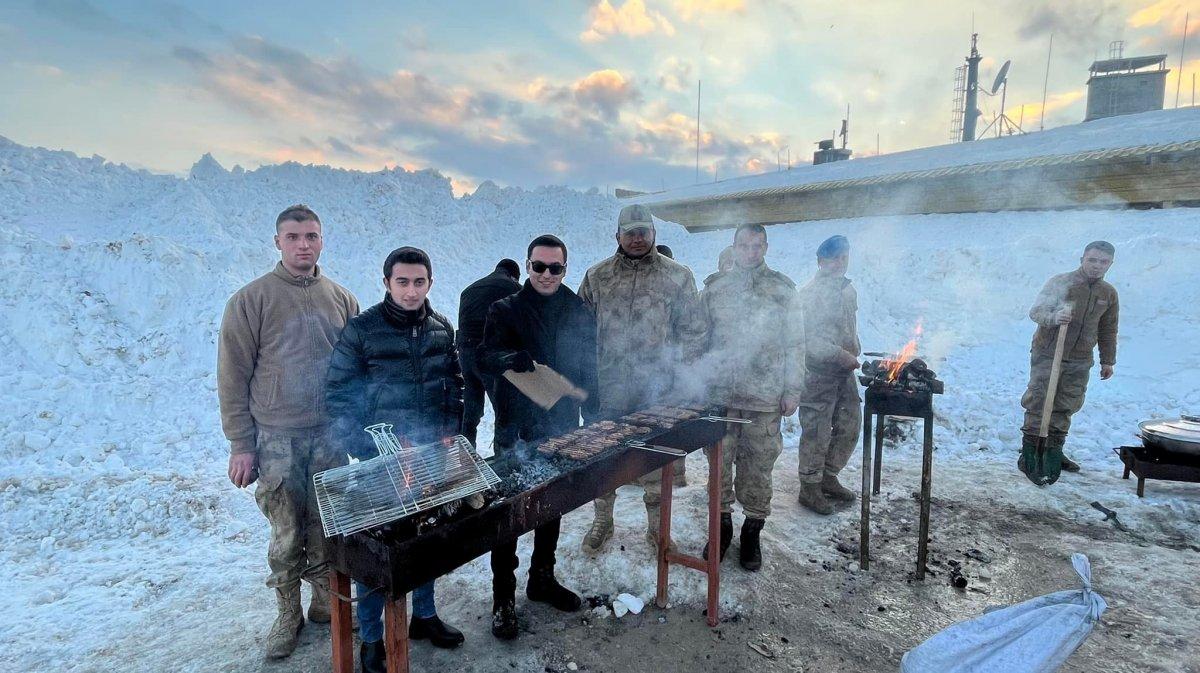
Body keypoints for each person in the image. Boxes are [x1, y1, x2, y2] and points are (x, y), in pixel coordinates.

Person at [218, 204, 359, 659]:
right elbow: (232, 375)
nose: (304, 244)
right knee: (286, 531)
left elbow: (355, 368)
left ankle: (324, 603)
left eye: (312, 236)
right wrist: (241, 445)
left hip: (330, 436)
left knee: (329, 526)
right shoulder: (251, 299)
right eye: (294, 236)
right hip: (276, 438)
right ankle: (287, 613)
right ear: (278, 241)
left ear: (322, 240)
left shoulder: (340, 298)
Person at [326, 247, 466, 672]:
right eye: (402, 282)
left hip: (428, 455)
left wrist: (449, 429)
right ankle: (371, 640)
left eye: (418, 282)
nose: (410, 291)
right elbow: (337, 395)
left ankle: (423, 615)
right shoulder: (362, 330)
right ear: (386, 282)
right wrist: (367, 449)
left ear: (430, 283)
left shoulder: (441, 328)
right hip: (380, 460)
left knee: (426, 537)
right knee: (378, 550)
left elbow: (456, 385)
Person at [481, 235, 595, 639]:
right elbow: (485, 357)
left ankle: (541, 578)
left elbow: (588, 361)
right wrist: (510, 357)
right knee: (508, 514)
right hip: (516, 426)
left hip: (561, 424)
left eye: (555, 268)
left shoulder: (577, 309)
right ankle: (503, 599)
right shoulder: (505, 309)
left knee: (551, 505)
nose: (547, 275)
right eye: (539, 267)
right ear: (528, 266)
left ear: (565, 269)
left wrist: (592, 404)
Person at [577, 204, 708, 554]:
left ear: (654, 234)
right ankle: (603, 520)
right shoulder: (597, 276)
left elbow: (693, 332)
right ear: (617, 236)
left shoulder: (678, 276)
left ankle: (657, 527)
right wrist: (585, 382)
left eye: (643, 232)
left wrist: (680, 381)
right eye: (629, 232)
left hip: (658, 390)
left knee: (657, 460)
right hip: (609, 388)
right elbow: (580, 332)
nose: (636, 239)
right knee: (603, 458)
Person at [700, 224, 804, 570]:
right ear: (734, 247)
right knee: (719, 468)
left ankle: (751, 533)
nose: (750, 252)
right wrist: (697, 387)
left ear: (766, 248)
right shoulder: (715, 290)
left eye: (756, 246)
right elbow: (701, 341)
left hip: (764, 397)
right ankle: (722, 528)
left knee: (758, 469)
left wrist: (792, 390)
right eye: (743, 245)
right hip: (723, 397)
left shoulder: (782, 289)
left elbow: (795, 343)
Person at [1019, 241, 1119, 481]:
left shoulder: (1108, 293)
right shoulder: (1061, 282)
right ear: (1082, 259)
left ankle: (1054, 450)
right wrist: (1054, 317)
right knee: (1040, 399)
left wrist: (1108, 361)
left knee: (1067, 403)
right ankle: (1030, 451)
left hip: (1080, 358)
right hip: (1048, 353)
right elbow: (1036, 312)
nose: (1096, 266)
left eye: (1103, 262)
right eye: (1092, 260)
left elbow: (1108, 329)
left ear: (1110, 264)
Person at [796, 235, 861, 516]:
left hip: (844, 372)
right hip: (818, 373)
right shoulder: (809, 296)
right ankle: (809, 486)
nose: (839, 264)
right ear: (820, 262)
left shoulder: (848, 291)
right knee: (817, 432)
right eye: (833, 258)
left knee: (850, 424)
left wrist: (853, 348)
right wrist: (840, 354)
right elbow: (808, 339)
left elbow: (848, 328)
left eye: (843, 258)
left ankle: (828, 475)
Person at [457, 259, 521, 448]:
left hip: (466, 356)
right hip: (490, 356)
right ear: (513, 274)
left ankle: (466, 459)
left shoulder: (469, 290)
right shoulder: (514, 287)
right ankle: (505, 460)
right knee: (504, 411)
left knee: (470, 411)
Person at [655, 243, 688, 487]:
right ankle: (675, 471)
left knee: (673, 422)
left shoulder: (680, 285)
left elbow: (690, 328)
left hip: (673, 369)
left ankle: (676, 471)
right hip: (655, 370)